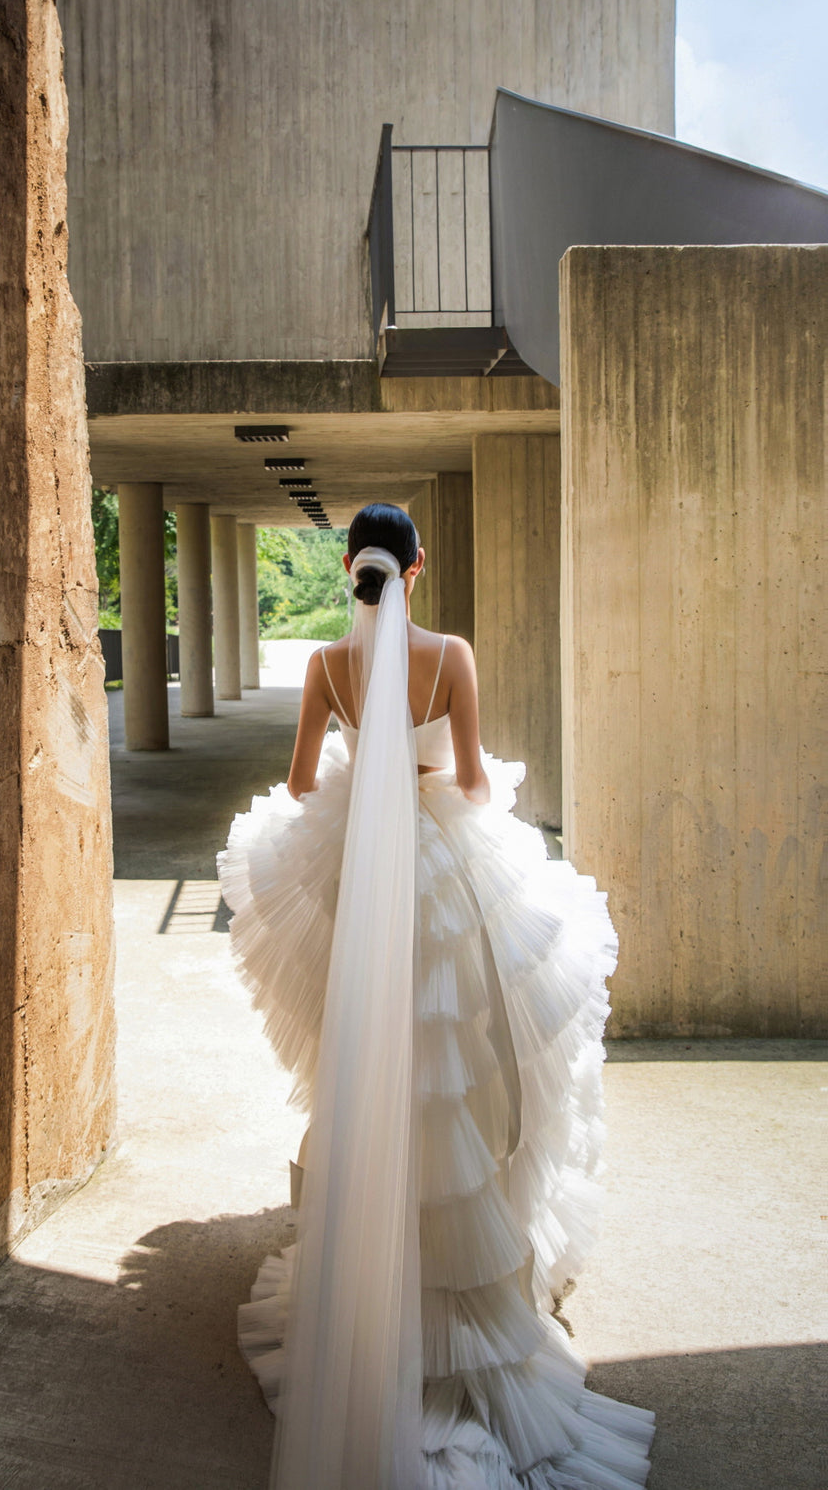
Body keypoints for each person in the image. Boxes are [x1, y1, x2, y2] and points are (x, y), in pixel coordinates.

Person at [217, 503, 654, 1490]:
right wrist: (423, 785)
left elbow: (298, 785)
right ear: (415, 570)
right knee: (465, 1066)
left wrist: (360, 782)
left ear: (351, 567)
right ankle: (462, 1285)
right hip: (443, 876)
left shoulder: (326, 665)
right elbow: (474, 782)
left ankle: (374, 1267)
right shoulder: (450, 654)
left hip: (362, 879)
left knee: (368, 1052)